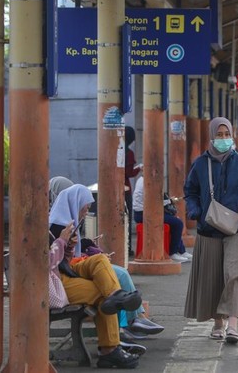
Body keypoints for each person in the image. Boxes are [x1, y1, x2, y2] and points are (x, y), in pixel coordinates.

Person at [49, 183, 164, 341]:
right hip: (58, 279)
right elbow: (51, 261)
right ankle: (122, 329)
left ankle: (125, 320)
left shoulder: (70, 222)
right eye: (85, 207)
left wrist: (78, 246)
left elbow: (65, 256)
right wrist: (63, 241)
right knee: (111, 286)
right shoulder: (55, 226)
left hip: (70, 268)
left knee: (104, 266)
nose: (87, 211)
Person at [183, 117, 238, 344]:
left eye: (227, 134)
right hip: (209, 229)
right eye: (219, 134)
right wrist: (195, 211)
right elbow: (190, 190)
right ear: (212, 135)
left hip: (237, 228)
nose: (224, 138)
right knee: (214, 277)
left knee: (234, 275)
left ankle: (233, 324)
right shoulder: (200, 163)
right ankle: (218, 322)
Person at [49, 217, 143, 368]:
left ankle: (116, 294)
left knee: (99, 259)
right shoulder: (29, 231)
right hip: (53, 283)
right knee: (103, 294)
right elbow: (44, 262)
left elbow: (62, 261)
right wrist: (61, 241)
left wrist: (68, 247)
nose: (86, 210)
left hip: (64, 272)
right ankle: (110, 349)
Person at [132, 176, 191, 262]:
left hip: (145, 212)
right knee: (178, 223)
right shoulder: (148, 182)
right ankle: (173, 252)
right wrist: (170, 201)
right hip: (143, 214)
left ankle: (181, 250)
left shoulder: (141, 180)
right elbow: (154, 201)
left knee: (175, 220)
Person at [124, 126, 142, 256]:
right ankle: (127, 246)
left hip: (113, 189)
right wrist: (139, 169)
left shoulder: (114, 150)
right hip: (125, 189)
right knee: (127, 219)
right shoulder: (128, 153)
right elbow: (129, 173)